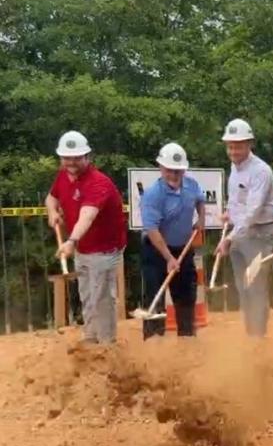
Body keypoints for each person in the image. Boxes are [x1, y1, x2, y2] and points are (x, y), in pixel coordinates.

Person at [46, 130, 127, 344]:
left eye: (76, 157)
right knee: (87, 295)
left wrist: (71, 241)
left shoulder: (98, 183)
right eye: (66, 157)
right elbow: (51, 198)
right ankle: (91, 338)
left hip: (104, 249)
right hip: (83, 248)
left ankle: (107, 344)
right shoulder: (63, 176)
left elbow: (87, 216)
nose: (71, 162)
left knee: (101, 297)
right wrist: (53, 212)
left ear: (87, 157)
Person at [215, 118, 273, 337]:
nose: (233, 151)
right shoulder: (234, 167)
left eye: (238, 145)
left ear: (250, 144)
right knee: (243, 287)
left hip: (259, 234)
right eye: (230, 146)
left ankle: (258, 338)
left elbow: (252, 212)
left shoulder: (261, 171)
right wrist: (228, 213)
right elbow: (237, 200)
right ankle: (250, 332)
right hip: (239, 233)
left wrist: (230, 237)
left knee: (256, 285)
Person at [139, 143, 205, 339]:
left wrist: (201, 219)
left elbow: (200, 201)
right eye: (169, 170)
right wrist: (168, 258)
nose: (174, 175)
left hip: (184, 248)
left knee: (186, 295)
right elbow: (152, 230)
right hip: (156, 251)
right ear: (161, 168)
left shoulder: (191, 185)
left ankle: (186, 338)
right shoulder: (152, 195)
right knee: (155, 297)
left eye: (178, 171)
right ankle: (154, 344)